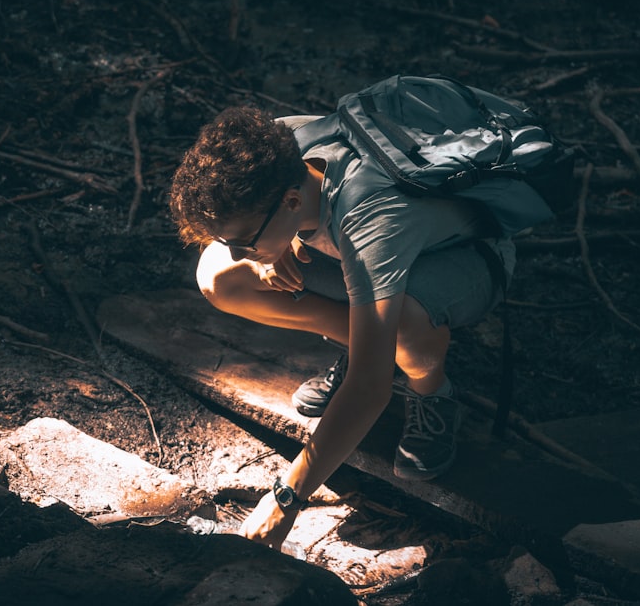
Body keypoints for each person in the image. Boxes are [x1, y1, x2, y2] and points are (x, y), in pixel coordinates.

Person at [168, 104, 514, 553]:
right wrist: (284, 239)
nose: (236, 252)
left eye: (242, 242)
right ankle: (366, 339)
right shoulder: (276, 153)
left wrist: (286, 497)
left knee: (405, 326)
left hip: (465, 259)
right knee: (220, 278)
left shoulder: (371, 221)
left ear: (291, 202)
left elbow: (369, 389)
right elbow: (255, 240)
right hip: (361, 248)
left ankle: (432, 391)